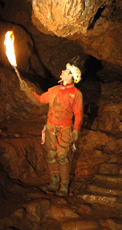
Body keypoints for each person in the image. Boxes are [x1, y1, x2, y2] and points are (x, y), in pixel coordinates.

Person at [19, 63, 83, 197]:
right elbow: (40, 100)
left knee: (63, 157)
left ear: (71, 76)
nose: (62, 70)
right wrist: (27, 91)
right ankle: (54, 183)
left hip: (65, 129)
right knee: (50, 155)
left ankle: (64, 186)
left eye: (66, 70)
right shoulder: (54, 90)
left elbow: (78, 113)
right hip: (50, 128)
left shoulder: (76, 93)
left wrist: (76, 129)